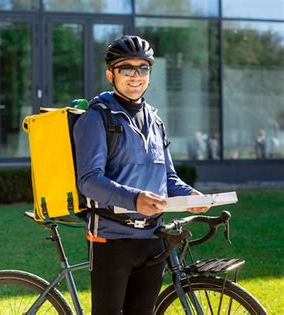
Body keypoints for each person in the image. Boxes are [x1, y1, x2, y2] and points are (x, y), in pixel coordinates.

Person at [73, 35, 210, 315]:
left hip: (152, 238)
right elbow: (88, 180)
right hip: (111, 239)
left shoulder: (155, 120)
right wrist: (134, 199)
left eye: (143, 68)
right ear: (110, 73)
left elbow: (167, 177)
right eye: (127, 69)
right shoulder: (96, 118)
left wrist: (189, 194)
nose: (136, 76)